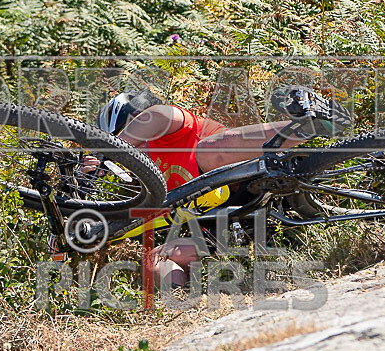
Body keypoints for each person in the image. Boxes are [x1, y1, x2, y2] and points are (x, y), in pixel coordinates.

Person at [95, 85, 351, 286]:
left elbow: (158, 115)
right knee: (155, 258)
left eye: (126, 136)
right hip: (234, 229)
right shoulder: (147, 185)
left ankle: (310, 125)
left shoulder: (172, 129)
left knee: (206, 152)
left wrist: (108, 152)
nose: (129, 150)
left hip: (261, 184)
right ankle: (183, 305)